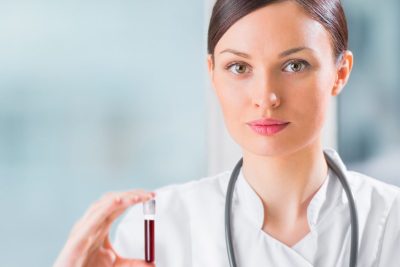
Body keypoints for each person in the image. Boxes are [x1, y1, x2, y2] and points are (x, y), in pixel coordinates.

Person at [54, 0, 400, 266]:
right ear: (213, 74)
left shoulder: (390, 222)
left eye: (294, 65)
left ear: (340, 73)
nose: (266, 97)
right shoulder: (158, 229)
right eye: (239, 67)